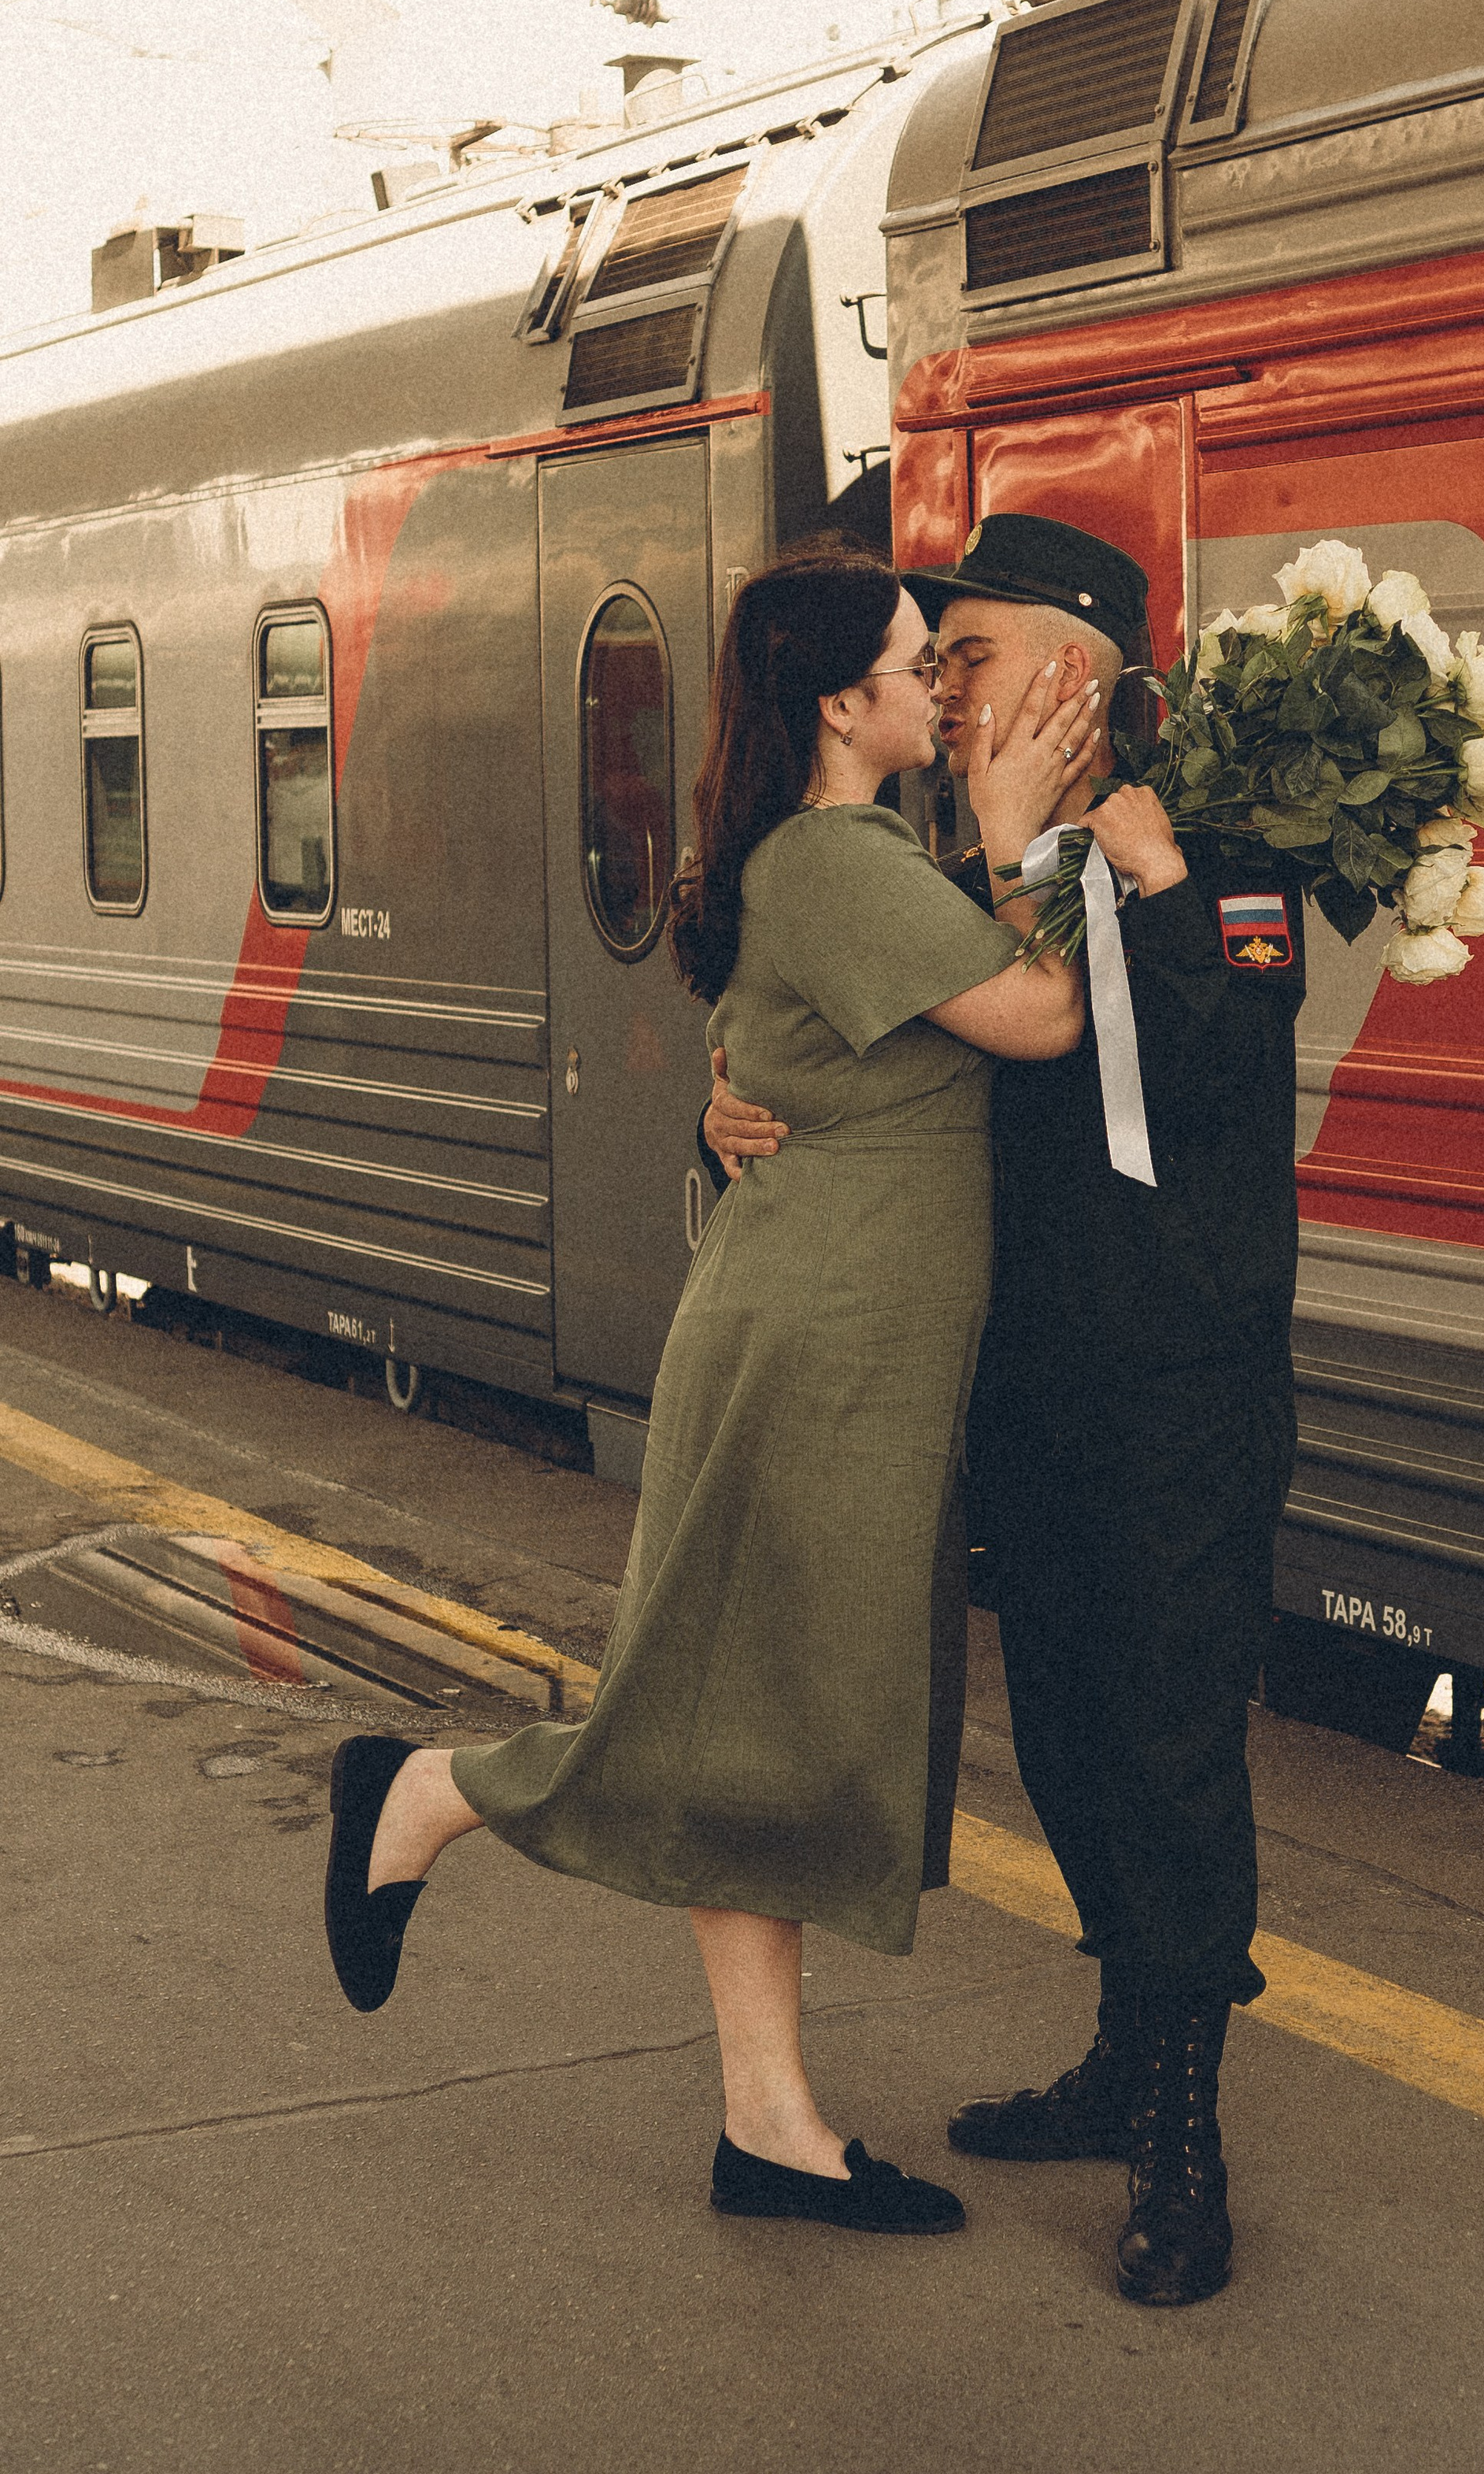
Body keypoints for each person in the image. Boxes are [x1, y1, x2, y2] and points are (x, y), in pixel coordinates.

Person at [322, 539, 1091, 2240]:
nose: (940, 686)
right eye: (918, 664)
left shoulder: (854, 850)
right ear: (844, 703)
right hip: (817, 1345)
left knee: (779, 1720)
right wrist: (1033, 836)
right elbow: (1039, 1017)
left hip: (839, 1334)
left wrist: (983, 840)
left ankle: (769, 2127)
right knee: (745, 1708)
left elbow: (807, 1051)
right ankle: (436, 1791)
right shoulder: (833, 854)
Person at [705, 514, 1306, 2306]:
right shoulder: (935, 860)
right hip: (1016, 1374)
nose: (944, 691)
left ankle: (1180, 2133)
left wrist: (1139, 865)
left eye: (967, 659)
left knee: (1172, 1747)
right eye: (932, 665)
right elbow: (835, 1052)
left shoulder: (1235, 847)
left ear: (1078, 666)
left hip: (1185, 1380)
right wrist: (729, 1110)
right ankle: (1124, 2050)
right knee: (1060, 1738)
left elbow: (1212, 1057)